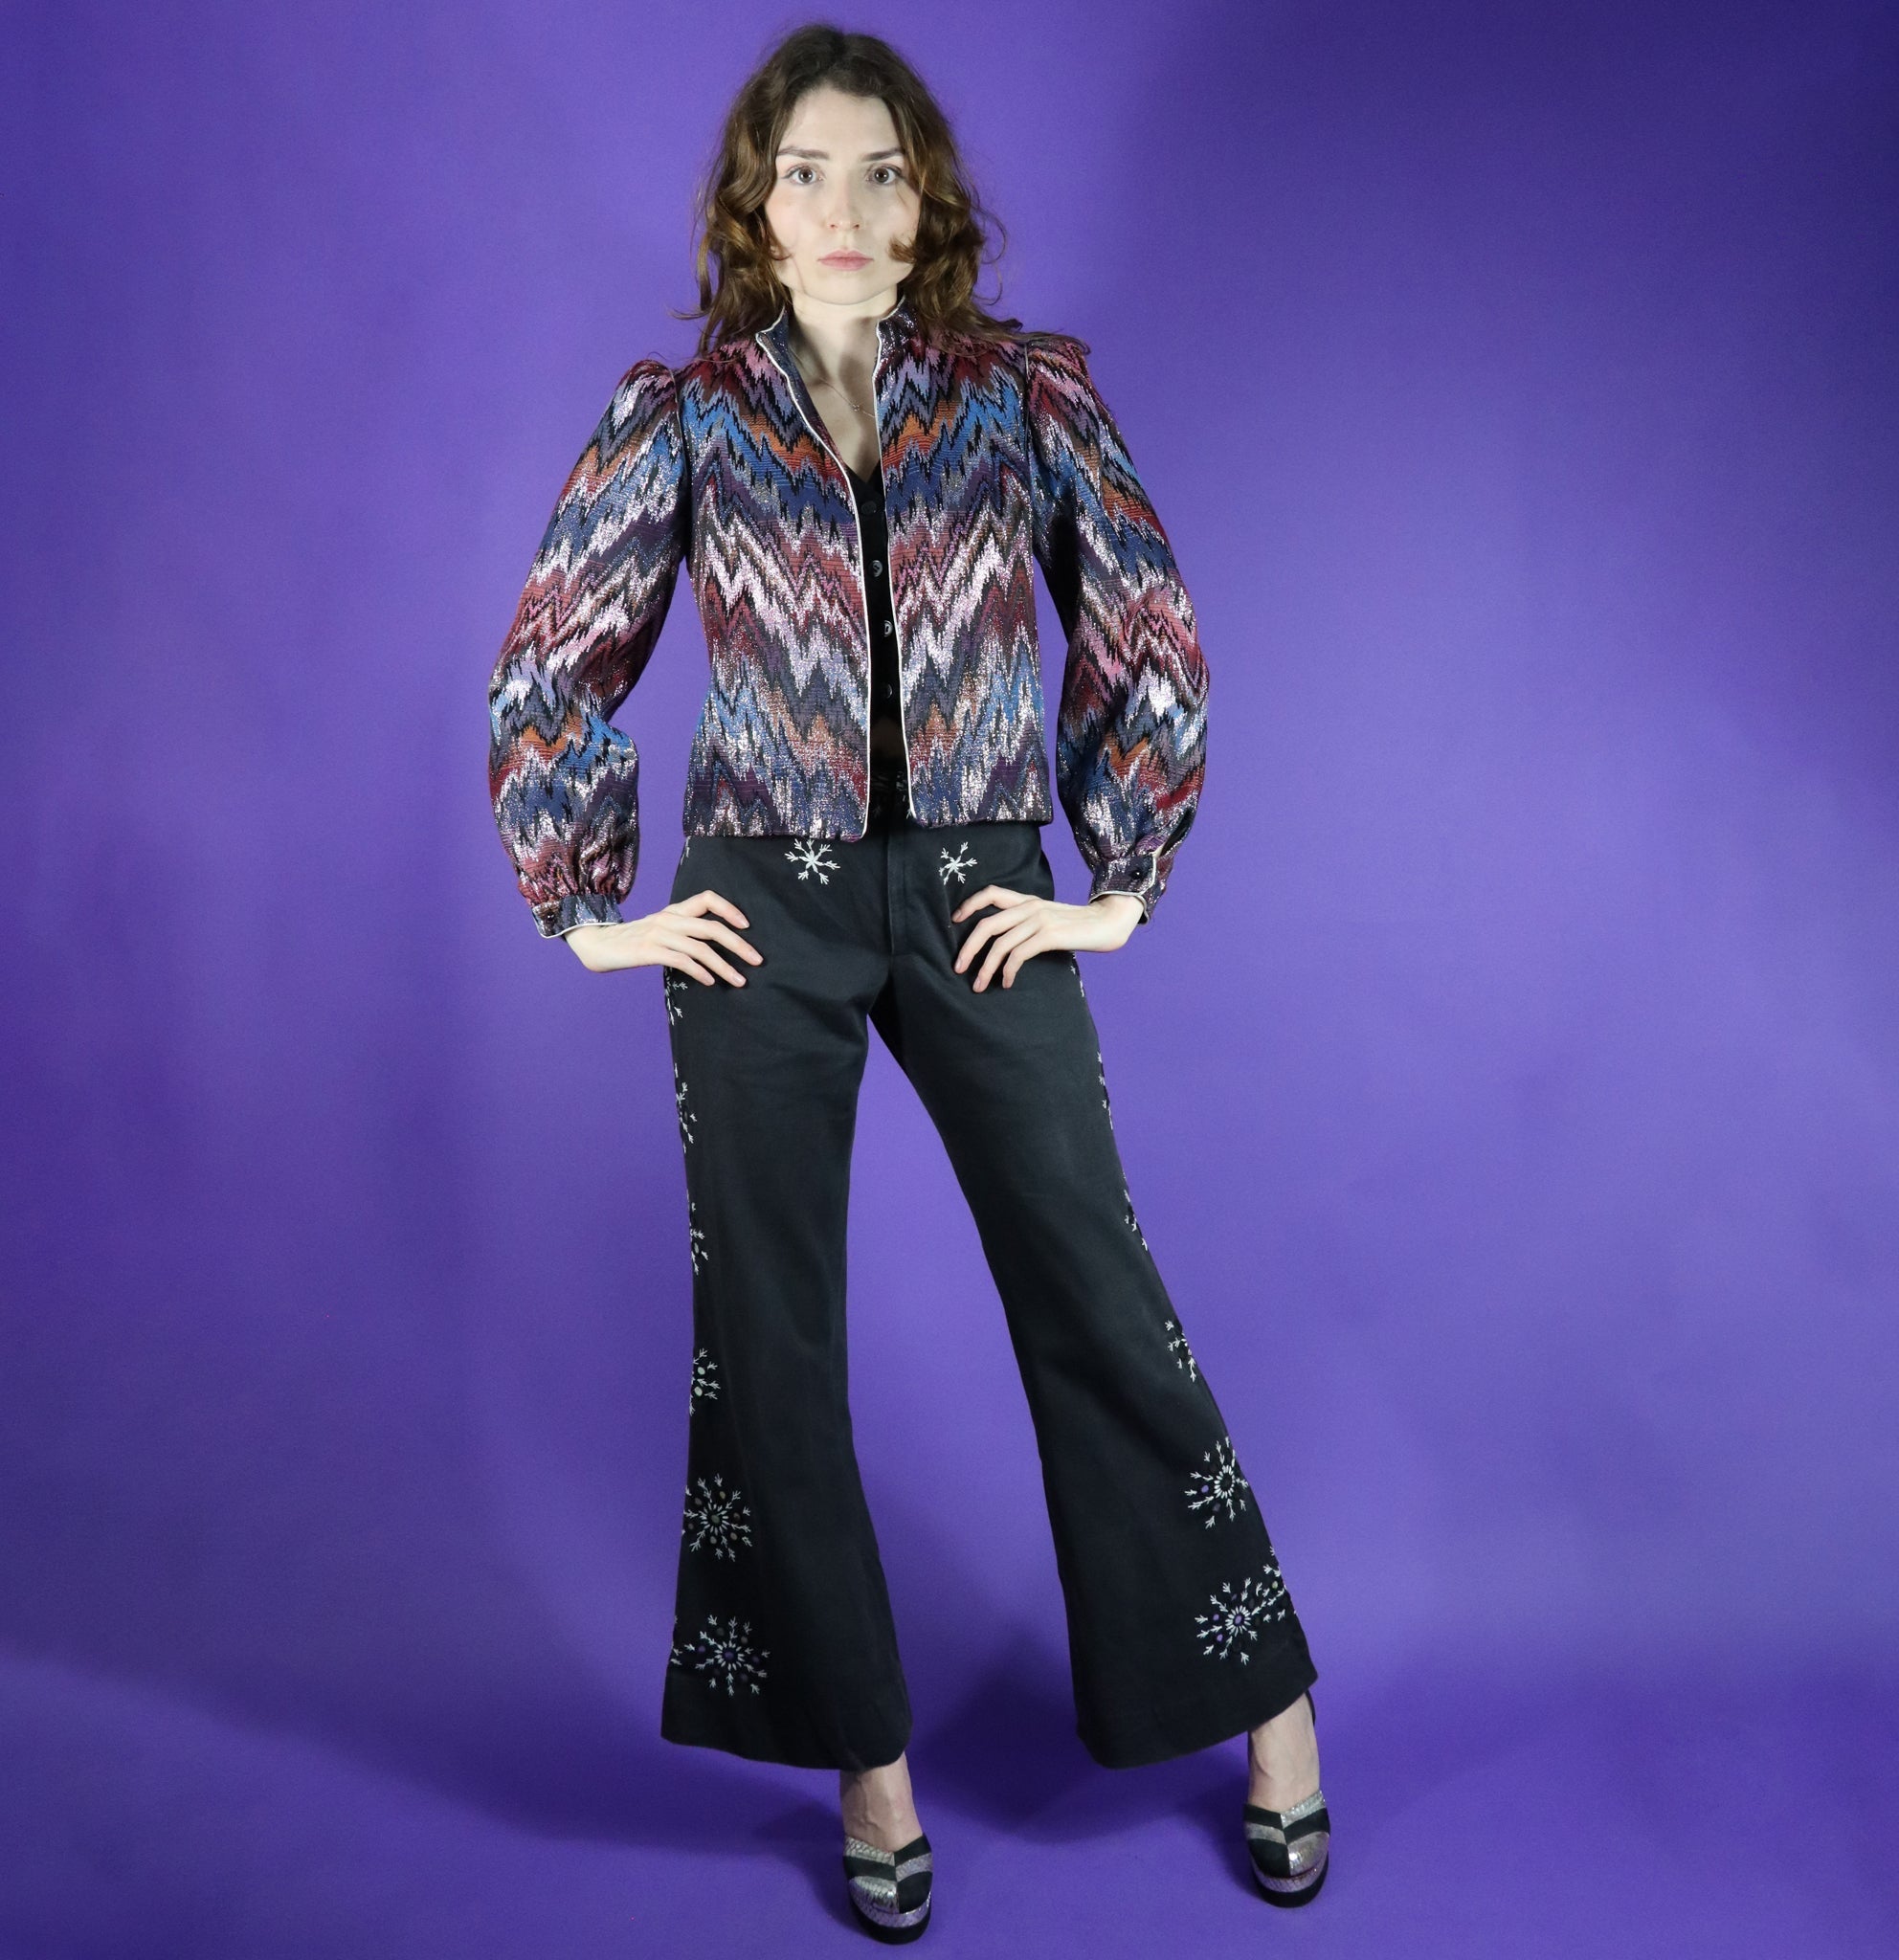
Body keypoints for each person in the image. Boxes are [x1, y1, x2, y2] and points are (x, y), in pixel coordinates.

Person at [485, 24, 1328, 1941]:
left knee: (1094, 1283)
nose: (844, 207)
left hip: (975, 892)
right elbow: (555, 653)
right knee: (769, 1336)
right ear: (754, 205)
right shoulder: (682, 415)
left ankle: (1263, 1698)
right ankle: (868, 1765)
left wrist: (1116, 886)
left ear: (927, 194)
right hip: (757, 912)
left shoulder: (1023, 397)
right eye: (805, 173)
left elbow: (1146, 618)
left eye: (879, 170)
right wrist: (588, 908)